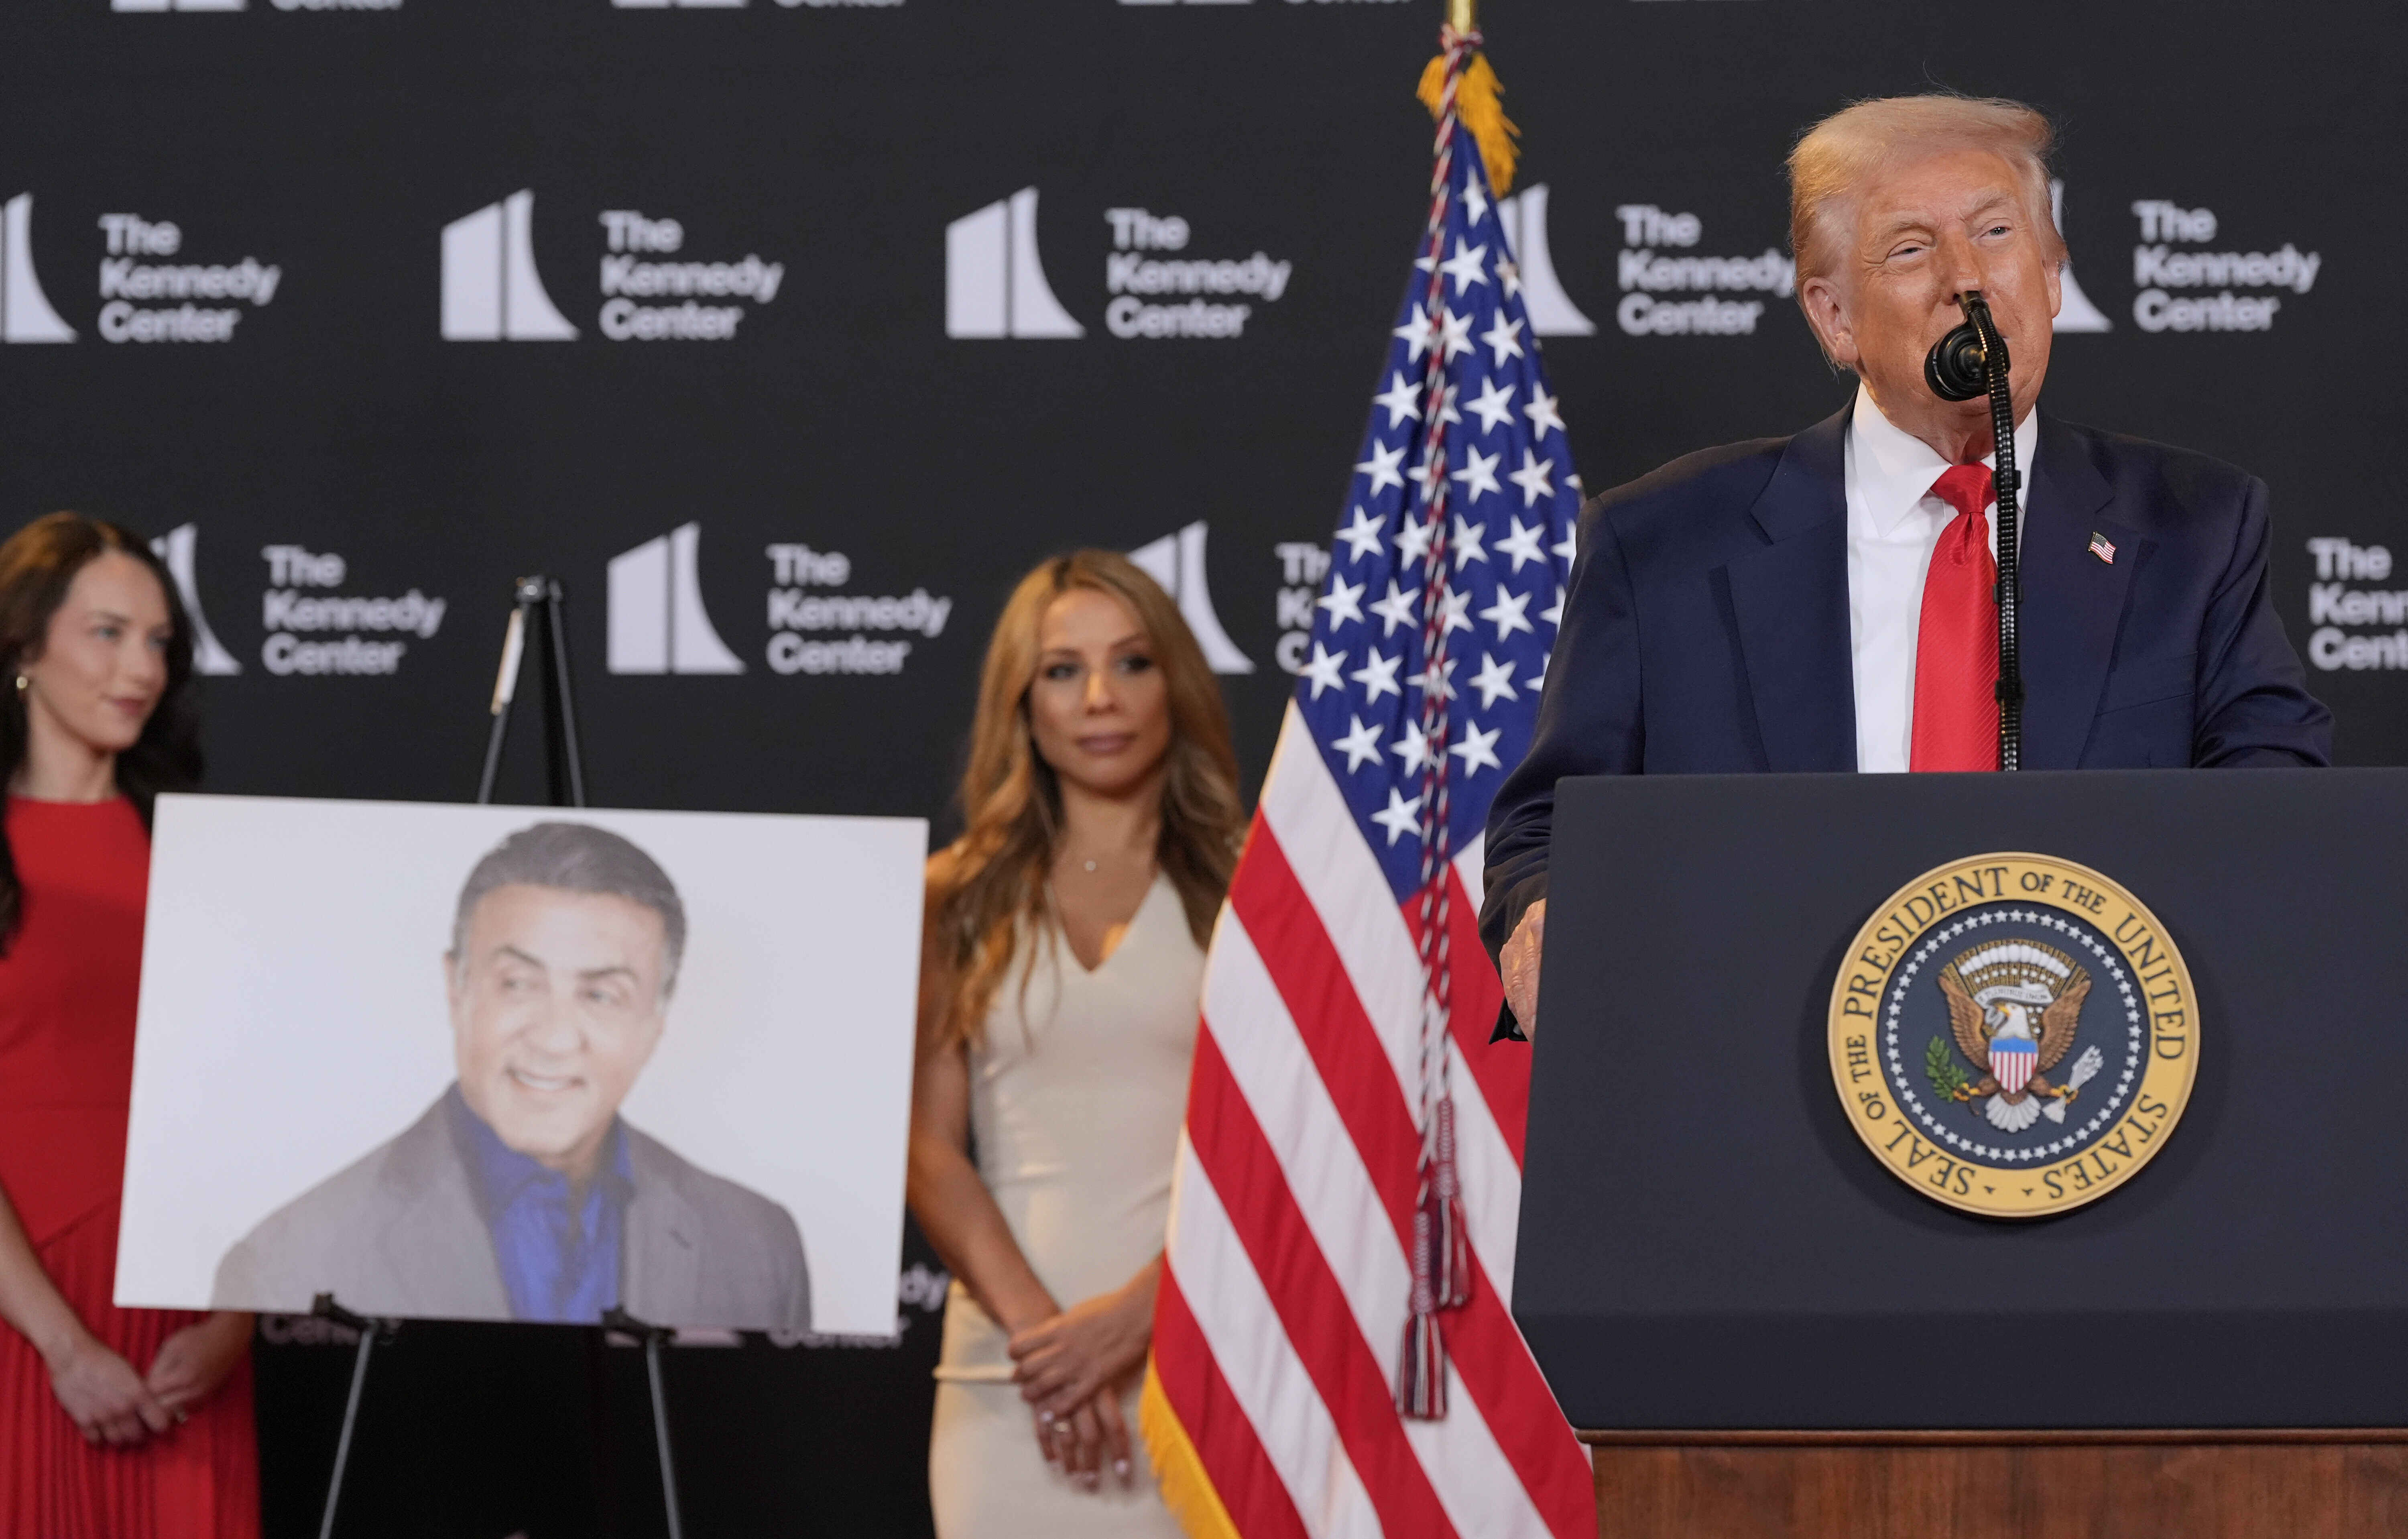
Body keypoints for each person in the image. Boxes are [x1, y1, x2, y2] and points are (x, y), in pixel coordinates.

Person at [1483, 94, 2330, 1034]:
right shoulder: (1663, 543)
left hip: (2085, 1087)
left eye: (1999, 233)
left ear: (2052, 277)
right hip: (1759, 1069)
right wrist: (1547, 914)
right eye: (1912, 248)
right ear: (1835, 318)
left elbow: (2276, 809)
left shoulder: (2195, 530)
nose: (1968, 281)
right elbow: (1550, 828)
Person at [909, 552, 1243, 1539]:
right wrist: (1049, 1346)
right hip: (1010, 1381)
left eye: (1132, 662)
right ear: (1022, 699)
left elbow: (1286, 1149)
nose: (1100, 698)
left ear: (1174, 682)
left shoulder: (1260, 889)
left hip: (1207, 1362)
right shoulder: (950, 895)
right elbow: (927, 1148)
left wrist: (1141, 1319)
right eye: (1063, 670)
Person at [214, 820, 811, 1331]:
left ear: (656, 1020)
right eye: (519, 984)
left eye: (602, 994)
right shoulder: (287, 1259)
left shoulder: (758, 1245)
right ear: (456, 989)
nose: (554, 1037)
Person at [0, 512, 259, 1538]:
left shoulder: (202, 855)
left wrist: (234, 1325)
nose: (139, 668)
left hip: (182, 1335)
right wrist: (64, 1350)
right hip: (24, 1319)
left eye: (158, 642)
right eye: (107, 633)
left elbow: (250, 1114)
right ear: (24, 646)